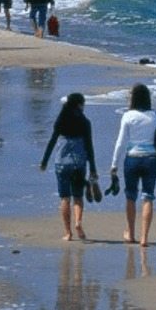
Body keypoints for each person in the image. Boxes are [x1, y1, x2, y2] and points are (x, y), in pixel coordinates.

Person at [39, 92, 99, 242]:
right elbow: (89, 146)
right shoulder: (85, 122)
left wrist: (44, 161)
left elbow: (52, 141)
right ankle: (78, 223)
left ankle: (68, 233)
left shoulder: (61, 120)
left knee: (65, 198)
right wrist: (93, 168)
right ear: (79, 105)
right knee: (78, 196)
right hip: (79, 162)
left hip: (62, 162)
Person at [111, 84, 156, 247]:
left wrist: (114, 164)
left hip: (132, 158)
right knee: (148, 197)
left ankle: (130, 233)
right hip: (150, 159)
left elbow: (120, 142)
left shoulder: (128, 116)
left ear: (133, 98)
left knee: (130, 196)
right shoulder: (155, 115)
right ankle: (144, 238)